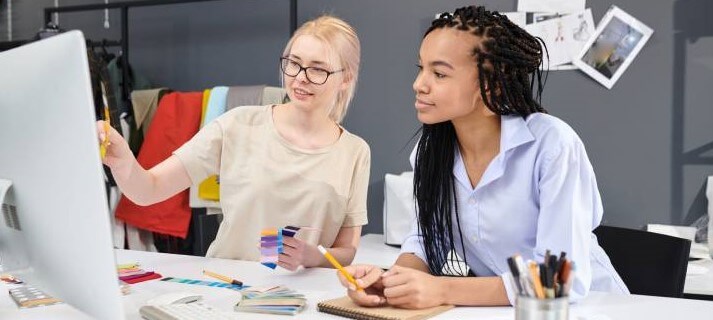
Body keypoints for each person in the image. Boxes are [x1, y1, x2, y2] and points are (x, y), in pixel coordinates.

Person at [337, 5, 628, 308]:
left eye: (438, 73)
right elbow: (426, 240)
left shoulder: (552, 145)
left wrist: (441, 290)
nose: (419, 84)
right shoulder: (431, 152)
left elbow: (557, 279)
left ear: (491, 83)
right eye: (420, 68)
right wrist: (392, 283)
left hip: (589, 307)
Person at [98, 15, 370, 271]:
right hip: (230, 286)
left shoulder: (355, 152)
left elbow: (347, 250)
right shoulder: (237, 126)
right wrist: (122, 159)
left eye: (317, 69)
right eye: (294, 63)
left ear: (345, 78)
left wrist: (313, 256)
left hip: (304, 297)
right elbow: (148, 189)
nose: (300, 77)